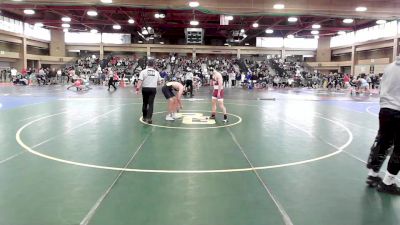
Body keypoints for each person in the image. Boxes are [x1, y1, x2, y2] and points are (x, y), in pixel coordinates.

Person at [366, 56, 400, 194]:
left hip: (385, 110)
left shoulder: (390, 67)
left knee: (383, 141)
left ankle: (372, 176)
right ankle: (388, 182)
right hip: (399, 110)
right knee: (399, 148)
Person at [136, 58, 160, 124]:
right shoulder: (157, 72)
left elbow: (140, 81)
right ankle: (149, 118)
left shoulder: (143, 72)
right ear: (154, 65)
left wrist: (137, 89)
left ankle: (144, 117)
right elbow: (159, 82)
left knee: (145, 103)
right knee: (151, 104)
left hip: (145, 89)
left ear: (147, 64)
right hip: (153, 89)